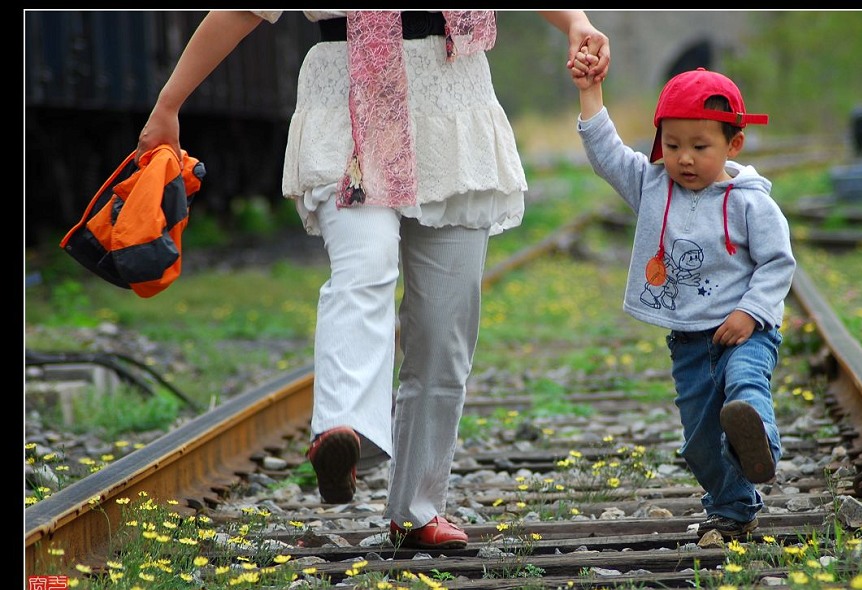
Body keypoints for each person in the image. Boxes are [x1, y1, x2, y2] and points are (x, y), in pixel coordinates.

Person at [136, 10, 609, 550]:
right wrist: (169, 103)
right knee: (365, 266)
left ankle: (416, 511)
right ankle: (341, 432)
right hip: (349, 106)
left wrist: (575, 23)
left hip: (451, 103)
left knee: (444, 326)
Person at [569, 59, 795, 538]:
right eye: (672, 146)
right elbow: (607, 154)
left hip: (744, 334)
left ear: (733, 143)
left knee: (746, 393)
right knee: (698, 444)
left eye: (699, 147)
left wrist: (751, 313)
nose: (684, 159)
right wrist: (591, 92)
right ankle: (735, 502)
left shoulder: (753, 202)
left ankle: (761, 449)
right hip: (690, 342)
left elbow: (779, 264)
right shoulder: (652, 186)